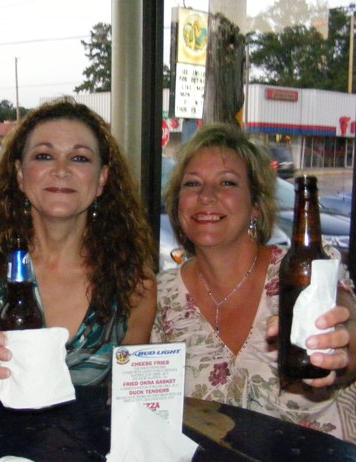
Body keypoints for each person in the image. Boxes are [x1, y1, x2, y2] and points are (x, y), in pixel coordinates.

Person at [152, 123, 356, 444]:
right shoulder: (160, 296)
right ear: (178, 206)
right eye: (192, 184)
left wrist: (343, 342)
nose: (206, 195)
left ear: (256, 208)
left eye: (227, 183)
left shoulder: (305, 268)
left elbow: (345, 319)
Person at [0, 98, 157, 395]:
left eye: (80, 158)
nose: (61, 170)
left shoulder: (135, 283)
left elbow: (131, 399)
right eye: (44, 156)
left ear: (102, 179)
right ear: (20, 174)